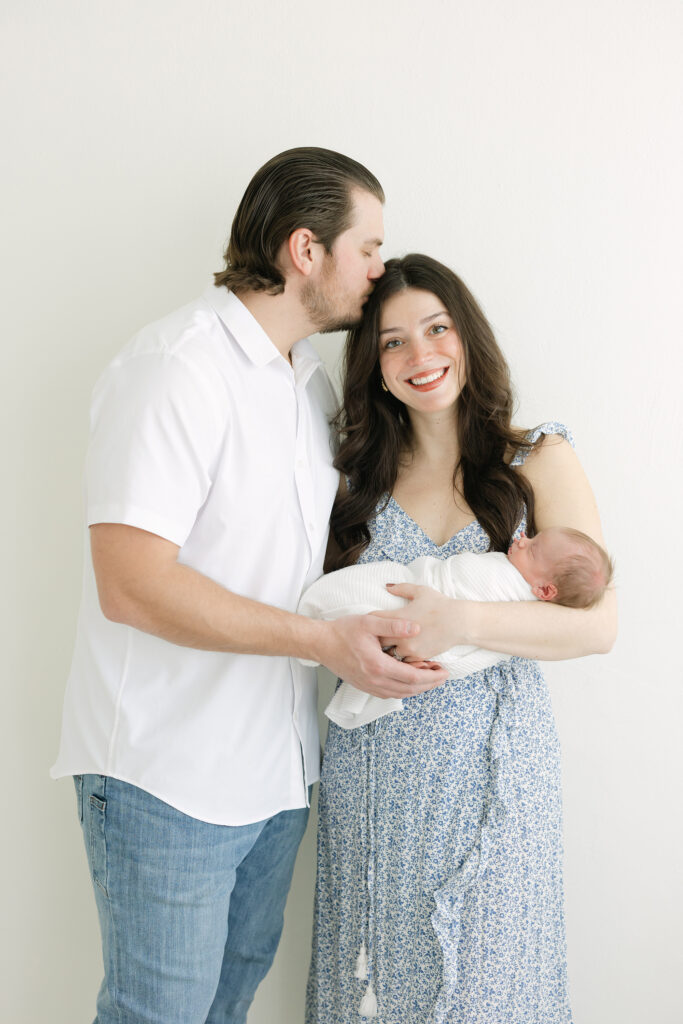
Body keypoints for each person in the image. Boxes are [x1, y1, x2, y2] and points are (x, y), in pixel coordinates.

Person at [50, 151, 449, 1024]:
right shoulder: (174, 368)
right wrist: (321, 644)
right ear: (306, 250)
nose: (380, 269)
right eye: (368, 247)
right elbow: (133, 586)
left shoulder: (301, 383)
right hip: (169, 776)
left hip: (272, 776)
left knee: (225, 1011)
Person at [305, 254, 617, 1023]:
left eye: (437, 329)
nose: (421, 356)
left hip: (495, 782)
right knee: (371, 988)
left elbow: (598, 625)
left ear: (466, 339)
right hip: (373, 779)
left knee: (491, 989)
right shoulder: (352, 483)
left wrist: (461, 622)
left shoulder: (537, 456)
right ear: (374, 368)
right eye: (393, 343)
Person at [298, 526, 614, 728]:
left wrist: (453, 622)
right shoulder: (515, 575)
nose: (521, 538)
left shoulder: (512, 592)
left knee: (378, 611)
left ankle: (320, 621)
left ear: (545, 591)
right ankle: (317, 628)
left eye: (532, 548)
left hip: (490, 738)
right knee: (373, 599)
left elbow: (599, 632)